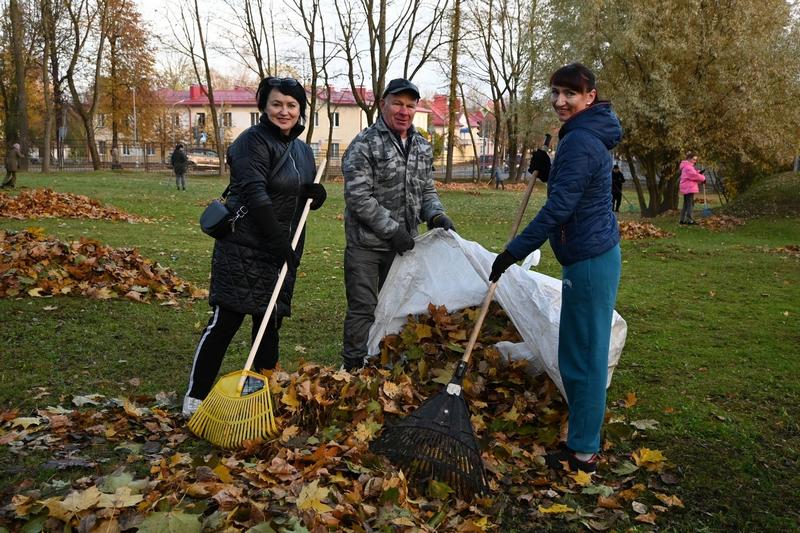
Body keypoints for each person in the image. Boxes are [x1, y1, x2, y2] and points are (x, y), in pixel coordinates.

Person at [489, 63, 623, 473]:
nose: (560, 101)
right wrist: (552, 173)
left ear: (590, 97)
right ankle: (583, 438)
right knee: (578, 352)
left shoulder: (581, 140)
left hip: (589, 260)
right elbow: (574, 193)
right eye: (556, 93)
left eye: (570, 94)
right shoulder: (584, 135)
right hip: (588, 254)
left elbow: (560, 209)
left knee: (583, 355)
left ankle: (583, 452)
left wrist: (512, 252)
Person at [182, 76, 327, 416]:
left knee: (269, 324)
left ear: (301, 110)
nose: (284, 111)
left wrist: (314, 196)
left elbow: (294, 194)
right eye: (277, 103)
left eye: (292, 105)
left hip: (282, 250)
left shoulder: (303, 150)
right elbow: (255, 194)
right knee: (225, 321)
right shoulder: (251, 142)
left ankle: (259, 395)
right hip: (244, 246)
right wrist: (278, 241)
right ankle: (196, 397)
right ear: (264, 105)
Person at [340, 78, 455, 371]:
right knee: (364, 308)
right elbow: (358, 197)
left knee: (398, 308)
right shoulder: (364, 144)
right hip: (367, 245)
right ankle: (353, 367)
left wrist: (436, 215)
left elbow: (425, 190)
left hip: (404, 247)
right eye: (397, 103)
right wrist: (393, 231)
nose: (404, 111)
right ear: (383, 105)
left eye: (410, 105)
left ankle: (386, 362)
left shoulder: (421, 147)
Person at [679, 152, 705, 225]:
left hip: (686, 187)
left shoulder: (686, 166)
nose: (695, 161)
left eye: (695, 160)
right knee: (690, 204)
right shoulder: (688, 167)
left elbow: (693, 173)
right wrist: (703, 178)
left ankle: (682, 219)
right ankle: (690, 220)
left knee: (686, 204)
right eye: (694, 159)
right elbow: (694, 176)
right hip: (689, 188)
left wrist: (699, 172)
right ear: (689, 159)